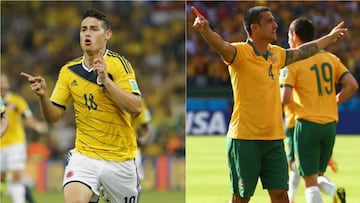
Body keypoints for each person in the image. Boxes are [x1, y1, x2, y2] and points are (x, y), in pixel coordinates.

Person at [191, 5, 348, 203]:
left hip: (274, 140)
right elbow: (221, 46)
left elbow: (304, 51)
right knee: (241, 198)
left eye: (274, 20)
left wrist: (329, 37)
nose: (275, 25)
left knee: (282, 196)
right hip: (244, 139)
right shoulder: (240, 53)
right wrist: (205, 30)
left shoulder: (277, 54)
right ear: (254, 28)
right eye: (269, 21)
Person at [21, 9, 142, 203]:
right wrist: (43, 96)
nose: (87, 33)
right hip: (85, 156)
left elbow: (136, 107)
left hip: (120, 159)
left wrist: (107, 82)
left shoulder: (119, 65)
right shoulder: (68, 72)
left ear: (107, 35)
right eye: (83, 29)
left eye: (94, 29)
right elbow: (52, 117)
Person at [280, 17, 358, 203]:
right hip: (330, 124)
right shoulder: (331, 58)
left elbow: (285, 98)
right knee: (316, 175)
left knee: (309, 182)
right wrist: (334, 101)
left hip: (307, 124)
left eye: (289, 36)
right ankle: (333, 193)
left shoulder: (293, 61)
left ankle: (328, 194)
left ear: (295, 36)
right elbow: (352, 85)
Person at [0, 74, 48, 203]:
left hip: (15, 143)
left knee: (16, 174)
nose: (1, 86)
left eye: (3, 82)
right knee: (2, 177)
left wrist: (37, 125)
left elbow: (28, 117)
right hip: (1, 144)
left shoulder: (17, 101)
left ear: (7, 85)